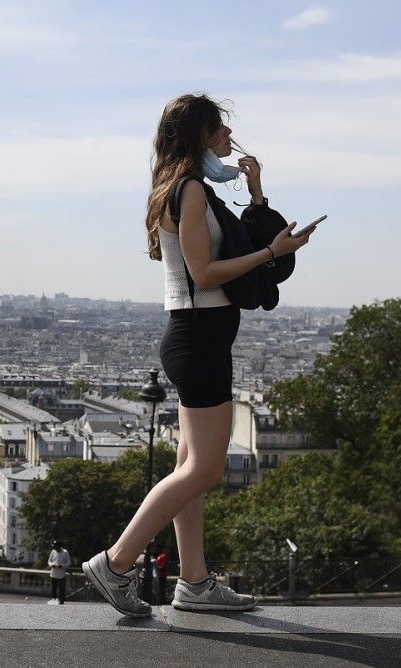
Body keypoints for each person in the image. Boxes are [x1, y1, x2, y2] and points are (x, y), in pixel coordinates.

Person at [82, 94, 314, 617]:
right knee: (206, 470)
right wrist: (273, 253)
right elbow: (205, 273)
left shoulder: (187, 188)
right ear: (201, 137)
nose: (230, 140)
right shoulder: (189, 192)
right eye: (221, 131)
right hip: (199, 338)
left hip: (197, 338)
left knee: (190, 464)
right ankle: (116, 562)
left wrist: (256, 194)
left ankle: (194, 582)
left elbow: (222, 254)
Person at [47, 541, 71, 605]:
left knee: (61, 589)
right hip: (53, 573)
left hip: (61, 574)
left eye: (55, 546)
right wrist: (51, 565)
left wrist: (62, 566)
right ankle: (53, 599)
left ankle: (61, 601)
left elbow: (69, 562)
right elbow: (49, 561)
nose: (54, 548)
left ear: (59, 546)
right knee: (53, 588)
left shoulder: (65, 552)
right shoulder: (53, 551)